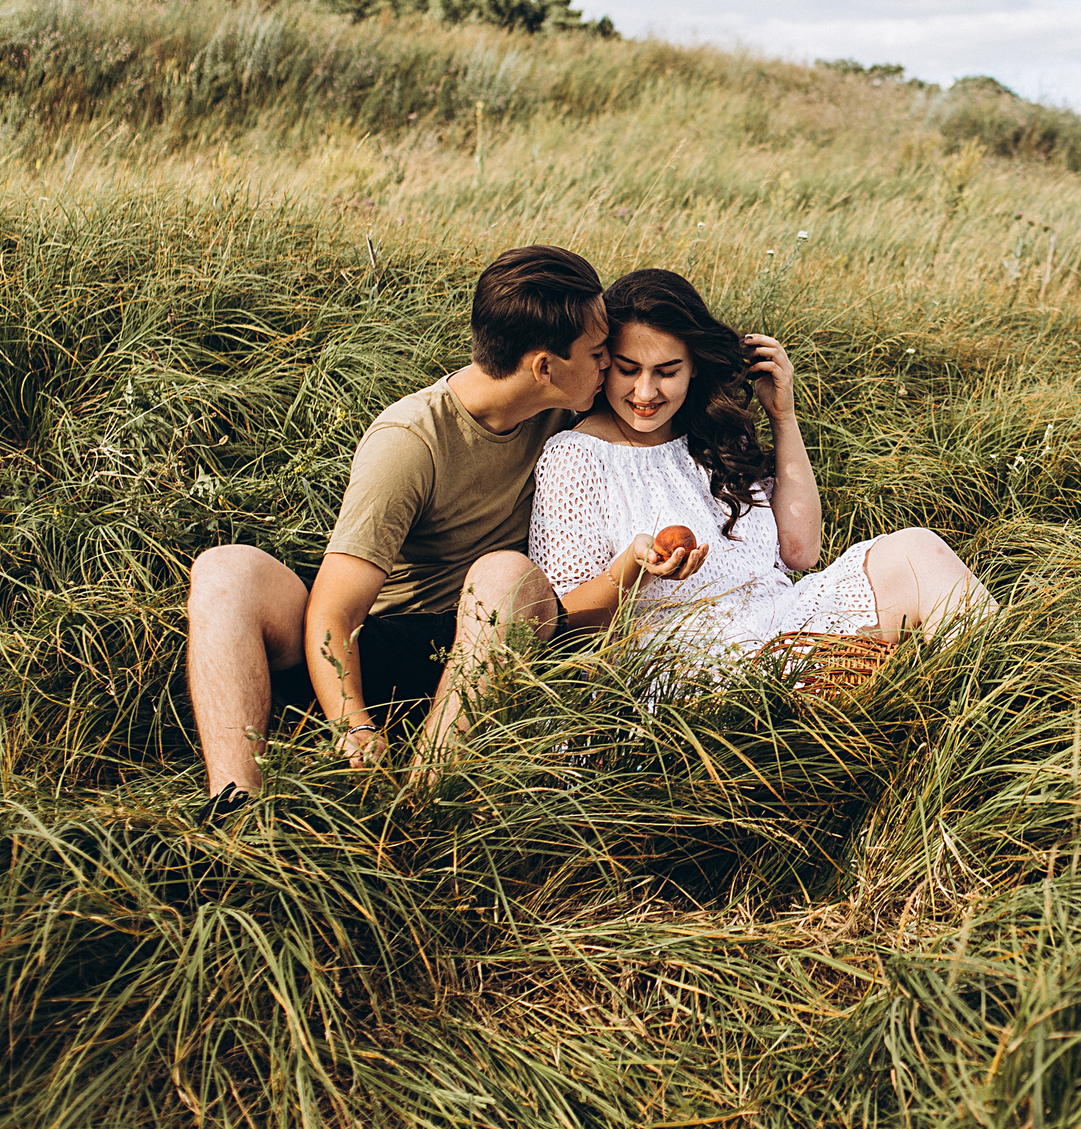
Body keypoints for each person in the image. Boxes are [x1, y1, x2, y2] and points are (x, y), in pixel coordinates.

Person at [184, 244, 609, 813]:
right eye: (600, 353)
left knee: (506, 574)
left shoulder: (574, 406)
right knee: (224, 569)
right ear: (543, 366)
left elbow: (672, 373)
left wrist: (775, 410)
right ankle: (233, 806)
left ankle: (423, 799)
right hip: (382, 647)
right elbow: (336, 611)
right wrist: (352, 725)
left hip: (489, 642)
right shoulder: (410, 440)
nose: (611, 366)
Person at [530, 267, 994, 671]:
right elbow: (566, 619)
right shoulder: (575, 456)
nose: (646, 393)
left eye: (667, 372)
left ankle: (1012, 697)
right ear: (604, 362)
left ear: (694, 368)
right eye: (628, 370)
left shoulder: (707, 434)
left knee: (918, 550)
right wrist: (634, 567)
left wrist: (783, 416)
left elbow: (801, 553)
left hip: (782, 618)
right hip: (685, 656)